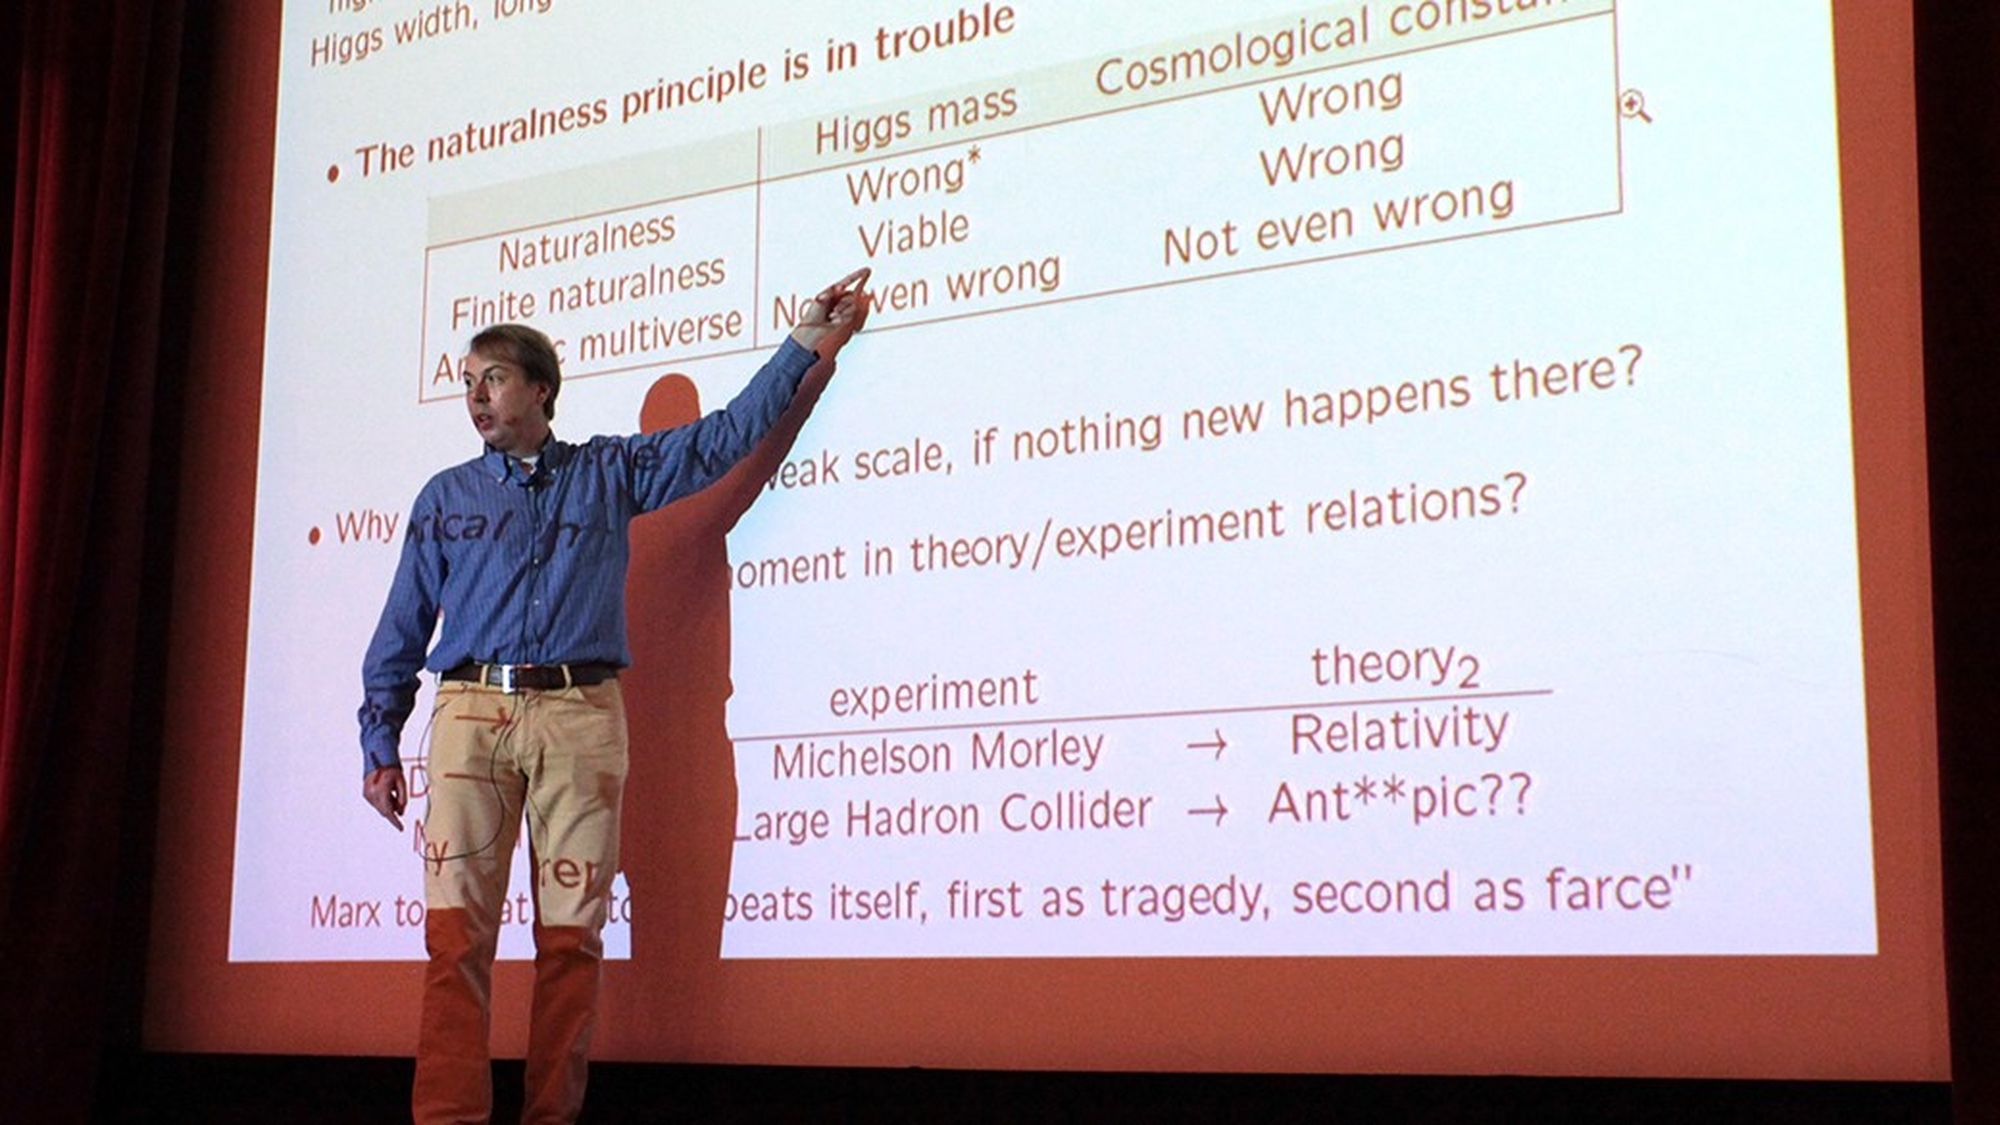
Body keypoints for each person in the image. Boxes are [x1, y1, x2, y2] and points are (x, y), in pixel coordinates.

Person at [356, 268, 871, 1124]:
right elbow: (402, 624)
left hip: (579, 715)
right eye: (467, 382)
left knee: (571, 942)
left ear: (541, 389)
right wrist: (380, 743)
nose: (475, 397)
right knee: (454, 940)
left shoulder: (608, 470)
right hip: (470, 716)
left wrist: (805, 343)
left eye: (493, 378)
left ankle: (550, 1116)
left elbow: (725, 438)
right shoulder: (445, 497)